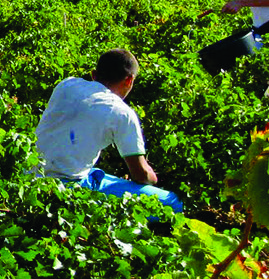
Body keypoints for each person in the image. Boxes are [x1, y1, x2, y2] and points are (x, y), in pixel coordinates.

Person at [35, 48, 184, 214]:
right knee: (173, 204)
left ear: (93, 74)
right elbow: (140, 175)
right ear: (129, 81)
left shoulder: (67, 84)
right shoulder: (121, 112)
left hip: (31, 173)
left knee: (96, 174)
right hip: (66, 186)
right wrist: (152, 176)